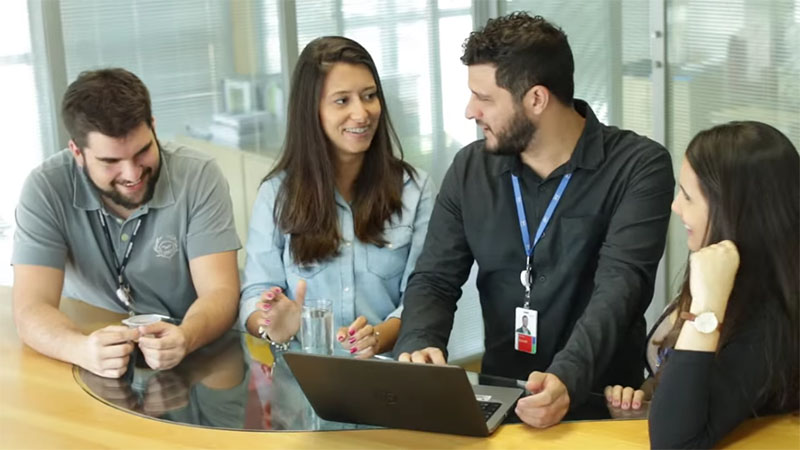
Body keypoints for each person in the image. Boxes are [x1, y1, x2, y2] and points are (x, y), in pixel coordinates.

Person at [394, 12, 675, 428]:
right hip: (501, 403)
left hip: (600, 406)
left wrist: (567, 378)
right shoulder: (470, 169)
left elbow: (621, 288)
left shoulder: (638, 167)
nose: (471, 111)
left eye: (485, 98)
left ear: (536, 99)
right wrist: (420, 343)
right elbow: (435, 278)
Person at [12, 68, 241, 378]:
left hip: (197, 353)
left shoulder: (199, 176)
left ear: (154, 128)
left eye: (143, 151)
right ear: (77, 152)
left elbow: (221, 292)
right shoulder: (45, 187)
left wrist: (186, 337)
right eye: (110, 162)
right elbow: (31, 308)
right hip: (92, 357)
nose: (132, 174)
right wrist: (80, 349)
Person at [603, 121, 799, 448]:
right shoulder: (727, 277)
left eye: (688, 196)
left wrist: (706, 309)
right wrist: (649, 398)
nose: (675, 206)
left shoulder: (768, 318)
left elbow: (674, 443)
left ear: (731, 210)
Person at [239, 36, 433, 358]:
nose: (362, 113)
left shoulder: (416, 189)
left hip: (388, 378)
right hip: (303, 382)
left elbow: (423, 296)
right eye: (342, 101)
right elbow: (255, 294)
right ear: (311, 110)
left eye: (369, 96)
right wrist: (271, 323)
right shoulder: (277, 194)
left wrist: (378, 337)